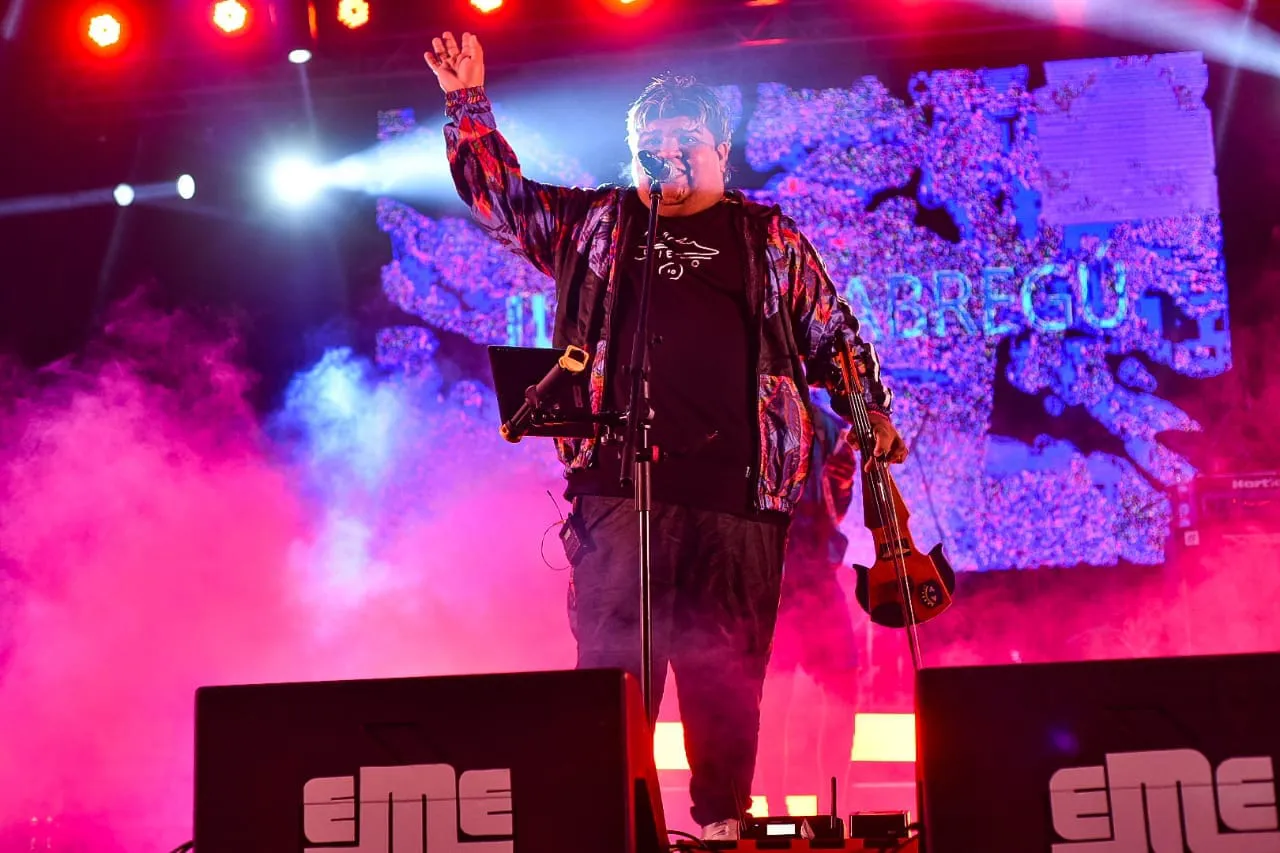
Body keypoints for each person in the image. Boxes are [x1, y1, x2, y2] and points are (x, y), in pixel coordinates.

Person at [425, 31, 906, 840]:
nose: (669, 152)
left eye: (686, 138)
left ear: (720, 150)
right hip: (619, 492)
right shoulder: (594, 224)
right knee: (614, 676)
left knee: (728, 678)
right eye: (652, 142)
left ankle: (722, 824)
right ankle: (615, 826)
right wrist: (465, 103)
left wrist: (870, 411)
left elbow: (835, 336)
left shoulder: (768, 238)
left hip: (739, 498)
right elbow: (502, 201)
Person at [758, 394, 863, 818]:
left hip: (815, 574)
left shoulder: (826, 424)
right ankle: (775, 810)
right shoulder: (751, 406)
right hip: (769, 577)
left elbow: (836, 504)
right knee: (771, 696)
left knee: (842, 688)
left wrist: (844, 482)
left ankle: (832, 809)